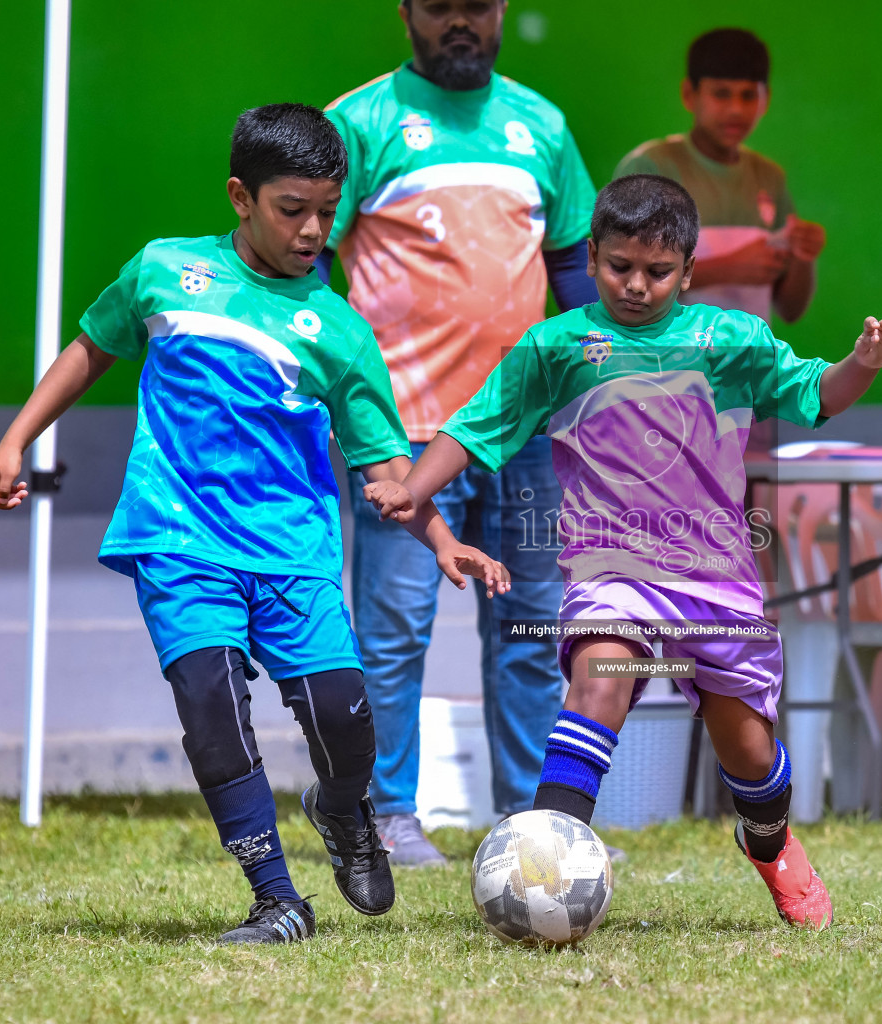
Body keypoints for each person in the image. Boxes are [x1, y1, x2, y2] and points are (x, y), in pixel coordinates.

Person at [0, 104, 506, 944]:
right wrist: (16, 438)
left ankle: (343, 811)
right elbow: (91, 347)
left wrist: (441, 537)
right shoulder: (162, 270)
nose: (313, 229)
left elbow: (384, 468)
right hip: (176, 536)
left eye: (329, 210)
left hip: (292, 548)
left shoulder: (340, 331)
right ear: (240, 196)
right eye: (293, 209)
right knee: (209, 701)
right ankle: (275, 898)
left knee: (341, 712)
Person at [367, 174, 882, 929]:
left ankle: (770, 842)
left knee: (749, 751)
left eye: (658, 272)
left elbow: (815, 394)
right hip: (610, 570)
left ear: (688, 272)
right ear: (591, 257)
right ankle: (543, 872)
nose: (636, 285)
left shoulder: (729, 340)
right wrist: (411, 488)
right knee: (600, 677)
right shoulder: (556, 346)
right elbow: (474, 425)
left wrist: (865, 361)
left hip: (716, 579)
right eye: (619, 266)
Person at [322, 0, 599, 865]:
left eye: (475, 7)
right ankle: (388, 813)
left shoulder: (541, 124)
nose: (460, 24)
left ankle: (529, 817)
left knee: (531, 628)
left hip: (528, 433)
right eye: (440, 8)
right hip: (402, 432)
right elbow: (310, 267)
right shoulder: (357, 121)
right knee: (395, 628)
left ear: (501, 11)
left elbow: (576, 272)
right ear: (406, 14)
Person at [614, 28, 824, 325]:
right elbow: (623, 281)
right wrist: (729, 268)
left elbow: (791, 310)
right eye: (721, 94)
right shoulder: (652, 167)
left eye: (748, 95)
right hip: (664, 361)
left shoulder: (769, 177)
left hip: (746, 363)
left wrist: (804, 256)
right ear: (690, 95)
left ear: (766, 99)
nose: (736, 109)